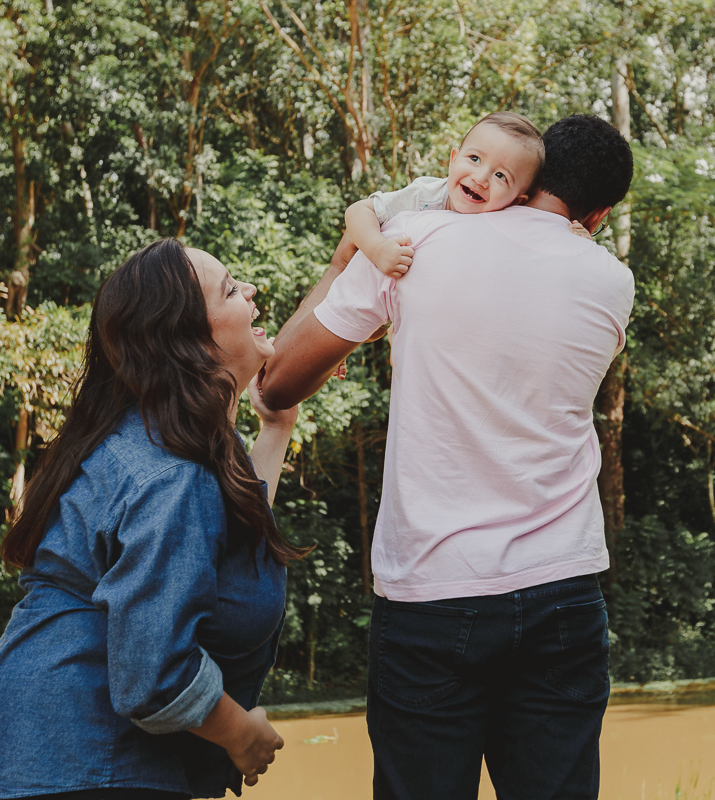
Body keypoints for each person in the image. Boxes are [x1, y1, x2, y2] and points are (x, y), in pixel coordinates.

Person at [260, 113, 635, 800]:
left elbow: (277, 381)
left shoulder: (416, 239)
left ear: (531, 177)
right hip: (562, 587)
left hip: (432, 590)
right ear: (599, 215)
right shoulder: (614, 281)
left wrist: (345, 261)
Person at [0, 239, 303, 800]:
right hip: (82, 758)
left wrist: (277, 428)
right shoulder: (171, 475)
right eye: (230, 290)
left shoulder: (168, 448)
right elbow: (155, 673)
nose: (250, 291)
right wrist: (241, 734)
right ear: (191, 343)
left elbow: (235, 543)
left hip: (48, 750)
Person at [344, 111, 545, 279]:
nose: (480, 178)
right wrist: (378, 250)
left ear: (516, 201)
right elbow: (359, 210)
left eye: (501, 176)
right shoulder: (425, 196)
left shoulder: (505, 223)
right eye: (475, 158)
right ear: (453, 159)